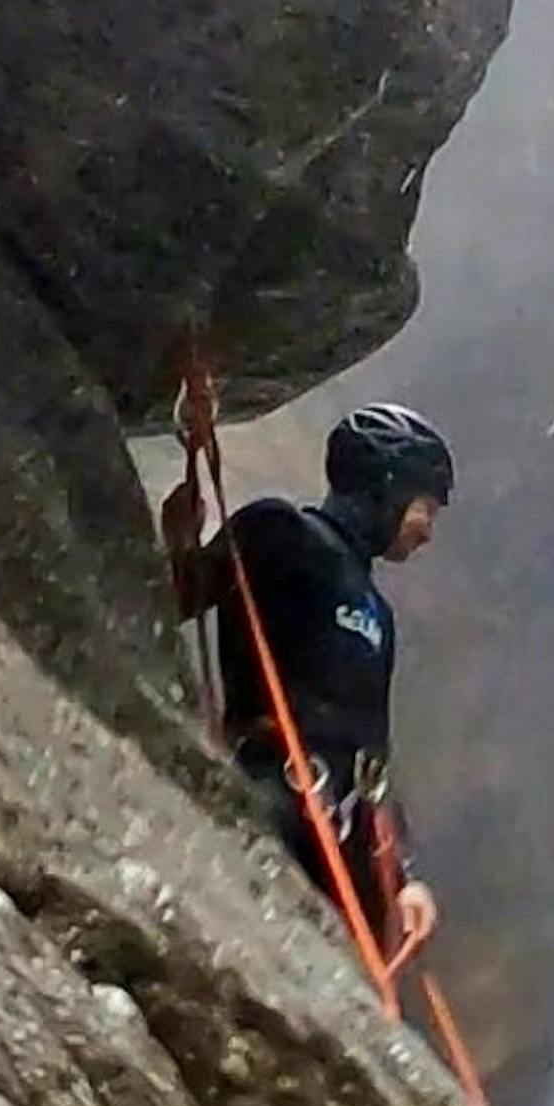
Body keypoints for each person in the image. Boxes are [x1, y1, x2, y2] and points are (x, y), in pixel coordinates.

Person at [164, 401, 454, 957]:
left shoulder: (378, 613)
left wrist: (404, 878)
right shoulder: (281, 532)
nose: (427, 532)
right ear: (387, 487)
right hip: (272, 799)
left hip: (343, 836)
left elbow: (372, 755)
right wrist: (179, 545)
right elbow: (177, 596)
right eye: (426, 508)